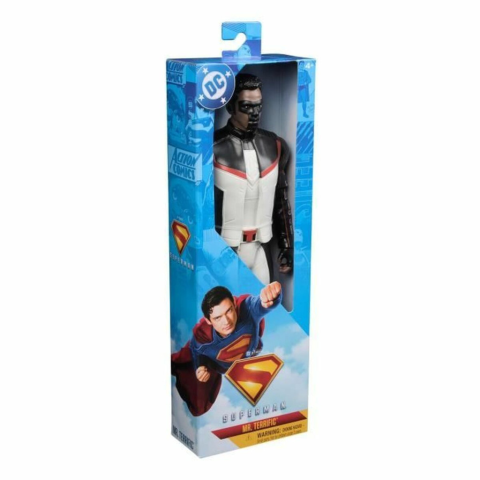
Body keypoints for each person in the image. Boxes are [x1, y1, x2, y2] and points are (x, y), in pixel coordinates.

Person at [213, 74, 294, 285]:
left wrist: (287, 244)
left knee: (265, 303)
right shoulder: (210, 149)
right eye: (247, 107)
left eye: (258, 106)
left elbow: (280, 200)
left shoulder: (276, 146)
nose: (255, 113)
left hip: (261, 247)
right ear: (231, 107)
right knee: (228, 304)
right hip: (225, 249)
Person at [171, 281, 282, 416]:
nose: (226, 321)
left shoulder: (247, 309)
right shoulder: (203, 335)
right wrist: (201, 366)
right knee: (197, 401)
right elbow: (196, 350)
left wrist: (271, 296)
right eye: (217, 318)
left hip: (246, 356)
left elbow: (261, 304)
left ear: (234, 305)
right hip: (217, 365)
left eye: (228, 311)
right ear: (208, 320)